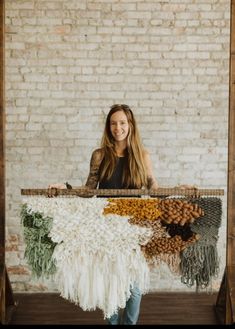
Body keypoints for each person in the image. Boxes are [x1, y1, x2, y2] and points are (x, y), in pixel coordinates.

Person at [49, 104, 159, 325]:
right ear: (108, 126)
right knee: (109, 285)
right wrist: (67, 187)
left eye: (122, 123)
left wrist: (179, 189)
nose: (117, 128)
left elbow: (154, 189)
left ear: (131, 125)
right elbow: (89, 190)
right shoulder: (99, 155)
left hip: (132, 227)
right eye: (113, 123)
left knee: (134, 289)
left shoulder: (142, 156)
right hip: (105, 227)